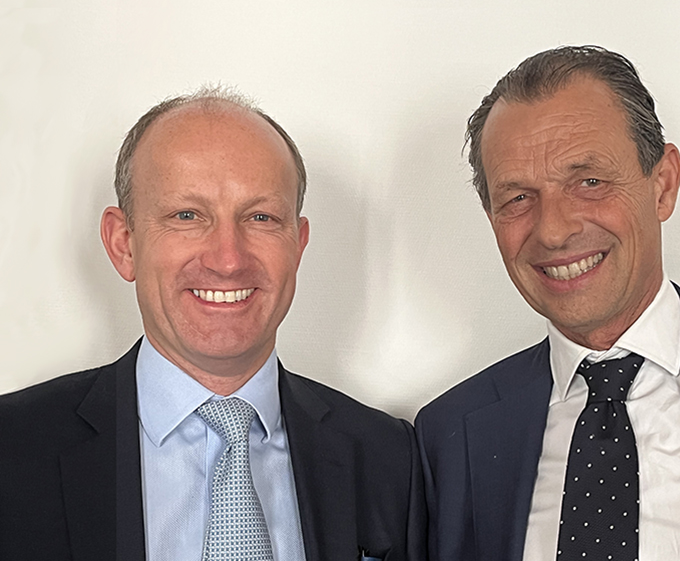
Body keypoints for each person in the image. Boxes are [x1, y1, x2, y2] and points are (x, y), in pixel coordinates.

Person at [0, 87, 426, 561]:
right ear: (124, 243)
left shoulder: (390, 457)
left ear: (297, 244)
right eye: (187, 215)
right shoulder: (12, 449)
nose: (228, 260)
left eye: (261, 217)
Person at [415, 46, 680, 561]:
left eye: (589, 182)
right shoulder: (449, 436)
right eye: (518, 198)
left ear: (663, 185)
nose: (553, 231)